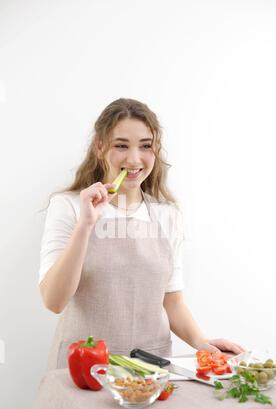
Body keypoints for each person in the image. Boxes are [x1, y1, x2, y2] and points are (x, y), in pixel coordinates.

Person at [39, 98, 244, 369]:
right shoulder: (69, 207)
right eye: (121, 145)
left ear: (155, 150)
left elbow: (172, 301)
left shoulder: (167, 215)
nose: (134, 159)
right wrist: (85, 225)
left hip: (151, 369)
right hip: (84, 369)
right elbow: (54, 301)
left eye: (145, 146)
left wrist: (202, 343)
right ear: (99, 147)